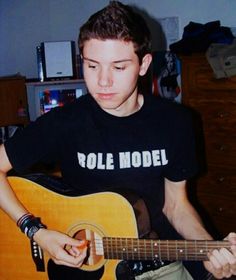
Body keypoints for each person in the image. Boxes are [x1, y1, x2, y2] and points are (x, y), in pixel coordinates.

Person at [0, 1, 236, 279]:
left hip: (156, 260)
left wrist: (210, 250)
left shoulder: (175, 122)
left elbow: (176, 206)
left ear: (143, 64)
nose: (103, 82)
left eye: (119, 67)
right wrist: (36, 231)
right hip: (81, 266)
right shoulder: (66, 122)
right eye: (92, 65)